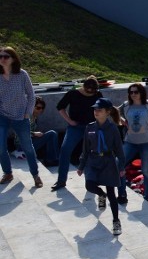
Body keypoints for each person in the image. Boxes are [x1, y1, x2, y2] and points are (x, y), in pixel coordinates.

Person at [77, 98, 126, 235]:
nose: (96, 112)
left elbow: (119, 150)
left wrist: (121, 167)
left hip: (108, 161)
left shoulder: (113, 129)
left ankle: (116, 221)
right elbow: (85, 148)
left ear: (108, 112)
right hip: (92, 161)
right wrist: (81, 165)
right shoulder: (90, 127)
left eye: (99, 110)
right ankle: (100, 194)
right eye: (95, 109)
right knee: (89, 185)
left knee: (112, 193)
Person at [0, 46, 42, 188]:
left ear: (13, 59)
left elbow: (31, 95)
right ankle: (7, 173)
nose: (2, 59)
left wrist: (27, 113)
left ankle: (35, 175)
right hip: (3, 115)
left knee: (27, 147)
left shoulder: (22, 74)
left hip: (20, 116)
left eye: (6, 57)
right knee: (0, 147)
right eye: (0, 57)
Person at [52, 75, 102, 191]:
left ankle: (91, 181)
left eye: (92, 92)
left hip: (92, 127)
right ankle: (61, 181)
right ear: (83, 87)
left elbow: (102, 109)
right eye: (87, 90)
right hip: (75, 126)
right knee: (65, 150)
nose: (89, 92)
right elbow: (60, 107)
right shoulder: (73, 93)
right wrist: (69, 121)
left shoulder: (97, 94)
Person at [12, 96, 59, 167]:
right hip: (22, 145)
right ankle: (50, 160)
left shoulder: (34, 117)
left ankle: (52, 158)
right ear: (32, 107)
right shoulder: (26, 116)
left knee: (50, 136)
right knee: (52, 134)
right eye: (38, 108)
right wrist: (34, 134)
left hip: (29, 142)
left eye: (42, 108)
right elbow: (20, 132)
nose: (40, 110)